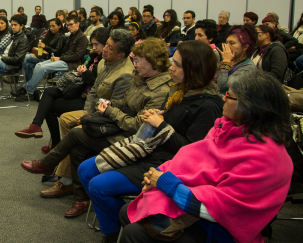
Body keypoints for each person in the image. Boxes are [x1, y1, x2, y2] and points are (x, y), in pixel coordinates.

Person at [118, 70, 292, 243]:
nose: (223, 98)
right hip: (195, 203)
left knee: (133, 233)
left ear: (250, 106)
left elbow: (223, 209)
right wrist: (158, 173)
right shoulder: (228, 128)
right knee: (127, 212)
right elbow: (192, 157)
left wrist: (164, 182)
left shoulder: (267, 158)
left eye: (229, 96)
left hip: (221, 228)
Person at [78, 40, 223, 241]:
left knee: (98, 186)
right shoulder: (179, 90)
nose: (172, 67)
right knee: (85, 170)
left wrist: (160, 124)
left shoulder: (208, 105)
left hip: (166, 164)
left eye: (178, 65)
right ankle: (118, 223)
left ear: (194, 69)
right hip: (148, 149)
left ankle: (118, 229)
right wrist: (155, 118)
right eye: (174, 62)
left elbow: (192, 152)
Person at [20, 38, 173, 218]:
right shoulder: (140, 77)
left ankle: (49, 165)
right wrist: (110, 105)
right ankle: (79, 197)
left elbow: (139, 127)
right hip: (118, 127)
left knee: (76, 133)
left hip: (133, 140)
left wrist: (110, 111)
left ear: (153, 61)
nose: (135, 64)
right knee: (77, 145)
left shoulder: (160, 90)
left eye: (138, 60)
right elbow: (122, 101)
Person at [14, 28, 129, 153]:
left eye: (97, 44)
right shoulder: (94, 57)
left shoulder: (108, 63)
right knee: (47, 91)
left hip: (82, 91)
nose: (95, 48)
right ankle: (36, 125)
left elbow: (93, 84)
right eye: (103, 45)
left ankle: (55, 143)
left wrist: (83, 72)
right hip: (78, 89)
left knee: (48, 102)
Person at [11, 15, 88, 101]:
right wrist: (57, 57)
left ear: (78, 24)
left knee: (42, 68)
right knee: (38, 65)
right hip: (61, 59)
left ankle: (27, 90)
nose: (69, 27)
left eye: (71, 24)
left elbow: (77, 56)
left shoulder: (82, 38)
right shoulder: (71, 36)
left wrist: (60, 58)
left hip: (70, 64)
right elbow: (63, 51)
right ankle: (29, 90)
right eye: (67, 25)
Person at [217, 24, 257, 94]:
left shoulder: (248, 68)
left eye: (232, 43)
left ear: (245, 47)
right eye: (226, 43)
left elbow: (222, 87)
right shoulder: (228, 59)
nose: (227, 46)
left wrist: (226, 62)